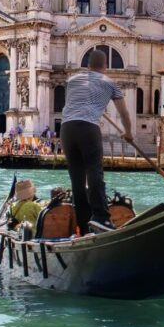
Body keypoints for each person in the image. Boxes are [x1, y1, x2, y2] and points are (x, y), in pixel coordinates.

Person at [61, 49, 132, 235]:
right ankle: (101, 218)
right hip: (88, 127)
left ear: (88, 65)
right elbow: (124, 113)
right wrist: (129, 133)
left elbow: (74, 103)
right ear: (105, 66)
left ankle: (84, 226)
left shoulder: (72, 80)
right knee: (94, 171)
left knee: (77, 178)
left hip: (67, 128)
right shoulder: (110, 83)